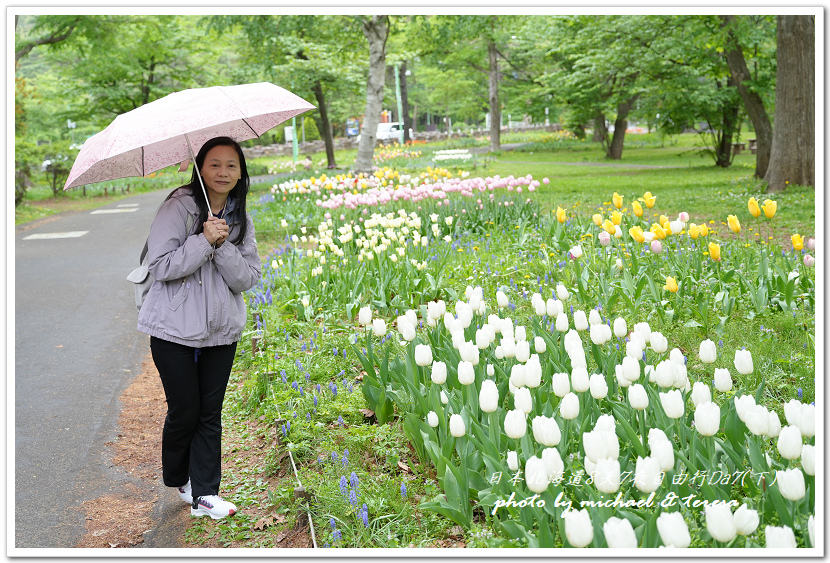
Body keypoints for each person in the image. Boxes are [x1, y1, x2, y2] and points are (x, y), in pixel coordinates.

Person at [137, 136, 261, 519]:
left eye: (231, 165)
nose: (223, 172)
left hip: (221, 330)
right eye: (214, 164)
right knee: (185, 410)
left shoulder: (240, 217)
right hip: (173, 327)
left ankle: (205, 493)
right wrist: (203, 241)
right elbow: (161, 266)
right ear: (200, 168)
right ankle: (180, 478)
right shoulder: (179, 206)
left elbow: (247, 278)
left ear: (240, 173)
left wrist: (222, 246)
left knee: (209, 412)